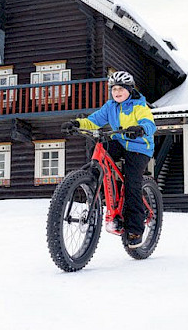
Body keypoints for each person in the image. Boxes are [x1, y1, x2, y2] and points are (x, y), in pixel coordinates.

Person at [61, 71, 156, 248]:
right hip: (120, 142)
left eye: (121, 89)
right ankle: (93, 183)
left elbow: (150, 123)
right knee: (100, 148)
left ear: (129, 90)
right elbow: (93, 121)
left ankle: (135, 229)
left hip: (139, 147)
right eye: (114, 89)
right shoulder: (110, 106)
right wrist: (77, 123)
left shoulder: (139, 106)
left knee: (132, 184)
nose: (117, 92)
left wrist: (141, 128)